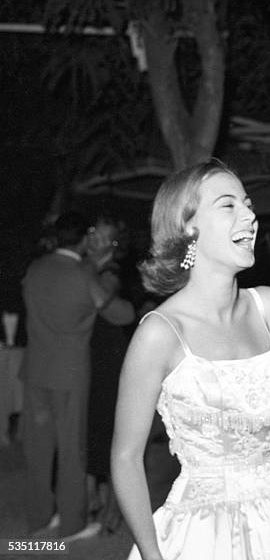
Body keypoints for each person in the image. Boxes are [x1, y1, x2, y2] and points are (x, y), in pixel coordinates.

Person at [111, 160, 270, 560]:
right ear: (188, 228)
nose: (250, 216)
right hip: (201, 533)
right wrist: (152, 554)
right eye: (229, 205)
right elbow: (125, 457)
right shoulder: (160, 333)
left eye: (248, 203)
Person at [21, 211, 125, 540]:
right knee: (71, 452)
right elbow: (118, 313)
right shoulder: (82, 274)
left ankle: (38, 521)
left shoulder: (35, 268)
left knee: (37, 452)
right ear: (82, 239)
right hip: (70, 374)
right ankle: (71, 525)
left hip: (35, 370)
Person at [86, 214, 135, 534]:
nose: (93, 240)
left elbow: (102, 297)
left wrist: (79, 268)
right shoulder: (88, 267)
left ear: (113, 245)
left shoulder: (111, 271)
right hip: (89, 356)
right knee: (92, 431)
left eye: (101, 237)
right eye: (91, 233)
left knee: (109, 432)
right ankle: (95, 502)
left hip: (110, 358)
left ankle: (114, 514)